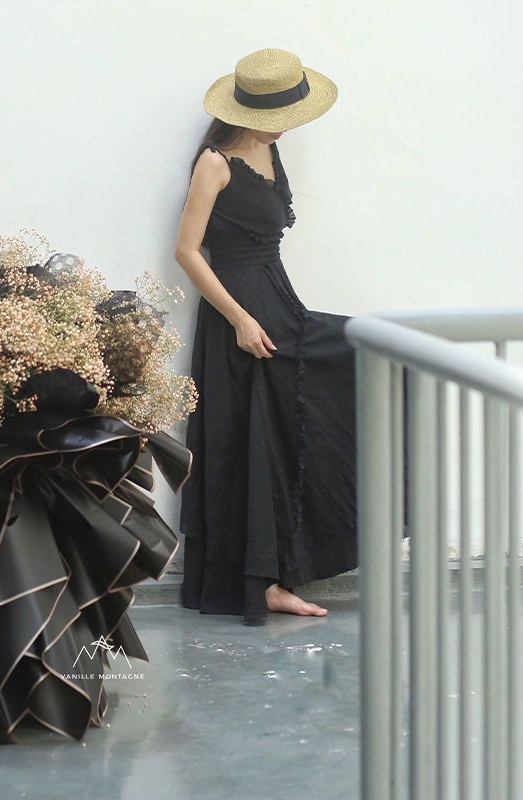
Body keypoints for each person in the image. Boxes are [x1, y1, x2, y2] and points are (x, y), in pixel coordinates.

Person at [175, 48, 358, 626]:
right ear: (244, 111)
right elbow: (187, 251)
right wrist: (239, 319)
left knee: (296, 419)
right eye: (277, 115)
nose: (286, 126)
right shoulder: (215, 163)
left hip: (278, 299)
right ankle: (262, 584)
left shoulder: (269, 148)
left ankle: (278, 575)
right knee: (247, 440)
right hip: (237, 313)